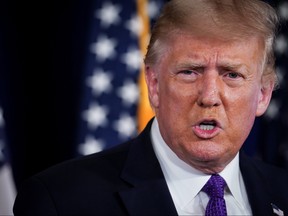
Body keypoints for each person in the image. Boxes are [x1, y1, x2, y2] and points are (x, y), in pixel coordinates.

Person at [13, 0, 288, 215]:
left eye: (232, 75)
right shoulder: (61, 201)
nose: (209, 96)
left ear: (263, 95)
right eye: (190, 72)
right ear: (154, 85)